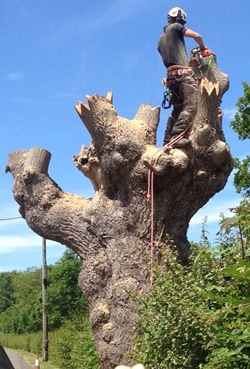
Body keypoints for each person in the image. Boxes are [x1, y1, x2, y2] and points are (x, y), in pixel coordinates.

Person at [158, 7, 208, 148]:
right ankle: (177, 136)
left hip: (171, 78)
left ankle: (167, 140)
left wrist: (189, 64)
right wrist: (203, 47)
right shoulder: (175, 27)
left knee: (177, 110)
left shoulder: (161, 39)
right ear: (180, 19)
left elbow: (173, 61)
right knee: (193, 105)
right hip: (183, 78)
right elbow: (197, 36)